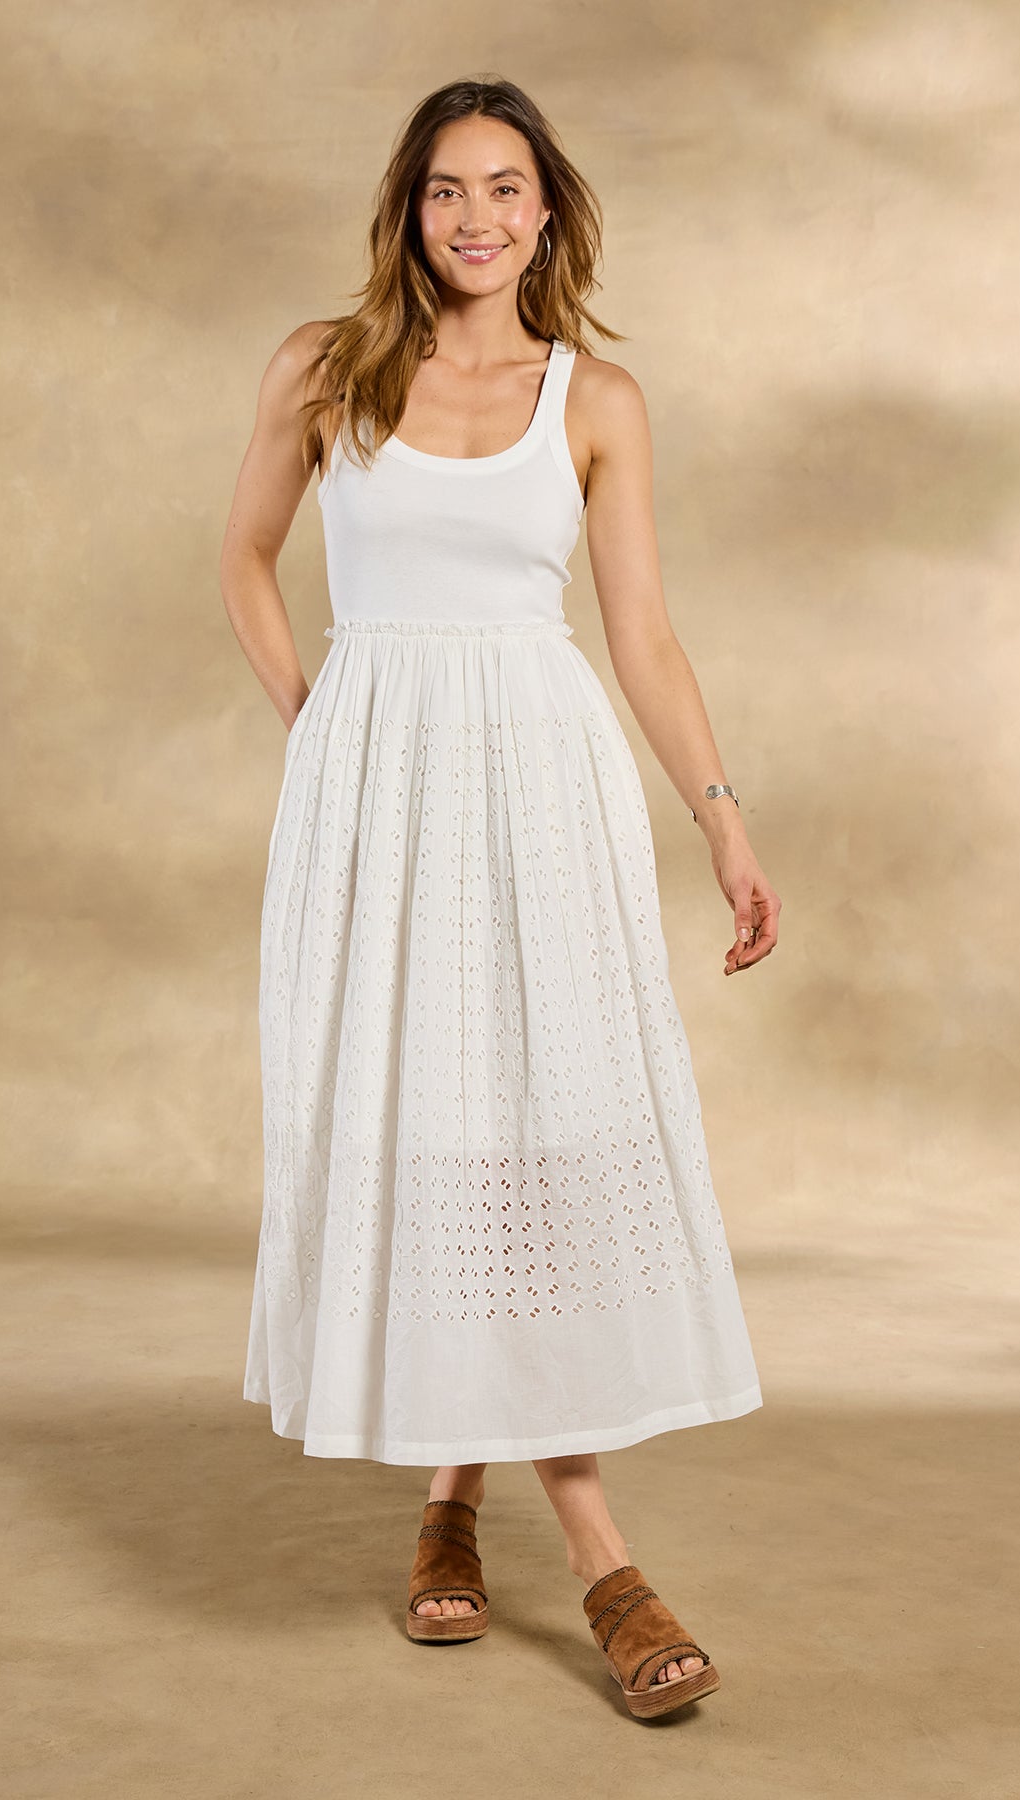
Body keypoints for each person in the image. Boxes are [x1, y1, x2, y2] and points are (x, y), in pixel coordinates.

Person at [218, 75, 782, 1720]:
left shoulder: (595, 400)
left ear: (548, 214)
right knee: (426, 1129)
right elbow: (245, 555)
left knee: (533, 1137)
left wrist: (723, 823)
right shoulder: (324, 369)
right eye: (447, 189)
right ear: (411, 210)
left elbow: (643, 637)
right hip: (377, 799)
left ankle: (469, 1511)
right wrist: (318, 723)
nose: (477, 217)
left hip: (543, 794)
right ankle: (594, 1558)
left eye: (506, 189)